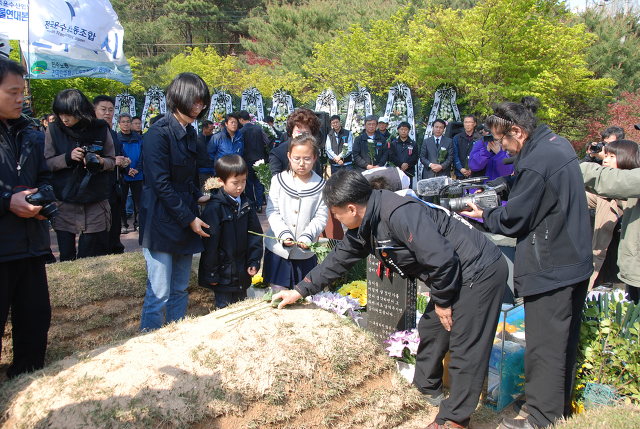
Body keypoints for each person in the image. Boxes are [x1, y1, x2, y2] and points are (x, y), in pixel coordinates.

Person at [273, 170, 508, 429]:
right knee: (431, 329)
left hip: (477, 270)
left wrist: (443, 302)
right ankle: (425, 389)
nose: (336, 219)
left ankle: (454, 418)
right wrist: (299, 290)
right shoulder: (366, 221)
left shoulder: (398, 214)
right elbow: (338, 259)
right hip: (451, 272)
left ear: (351, 208)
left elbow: (442, 260)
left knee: (466, 345)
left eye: (336, 214)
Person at [460, 99, 592, 429]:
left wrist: (484, 215)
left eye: (502, 140)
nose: (501, 147)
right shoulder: (555, 144)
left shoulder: (536, 162)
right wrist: (503, 185)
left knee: (545, 347)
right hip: (572, 259)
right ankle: (553, 407)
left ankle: (542, 418)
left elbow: (515, 219)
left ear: (517, 131)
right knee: (561, 342)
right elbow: (533, 185)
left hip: (551, 263)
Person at [138, 72, 211, 331]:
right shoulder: (157, 134)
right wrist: (189, 218)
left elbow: (188, 178)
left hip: (183, 218)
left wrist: (200, 196)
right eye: (194, 101)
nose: (199, 107)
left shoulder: (190, 133)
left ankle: (176, 336)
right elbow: (160, 184)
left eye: (202, 102)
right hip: (161, 220)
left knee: (180, 288)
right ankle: (149, 339)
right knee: (159, 291)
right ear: (178, 98)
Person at [0, 58, 52, 379]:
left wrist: (43, 198)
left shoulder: (30, 133)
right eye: (12, 92)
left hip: (30, 246)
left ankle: (26, 383)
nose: (21, 99)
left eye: (23, 92)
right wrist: (7, 202)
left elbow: (45, 178)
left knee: (35, 320)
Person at [45, 89, 116, 262]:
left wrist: (100, 161)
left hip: (95, 199)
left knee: (92, 255)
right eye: (60, 114)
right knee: (66, 256)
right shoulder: (54, 129)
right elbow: (46, 163)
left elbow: (112, 160)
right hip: (65, 199)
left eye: (68, 114)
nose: (64, 119)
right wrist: (67, 158)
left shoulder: (100, 128)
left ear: (80, 111)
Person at [263, 134, 328, 292]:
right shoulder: (278, 180)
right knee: (277, 295)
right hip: (278, 251)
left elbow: (321, 217)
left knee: (303, 295)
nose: (301, 163)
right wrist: (283, 234)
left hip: (304, 253)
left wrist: (308, 236)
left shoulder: (321, 186)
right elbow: (272, 210)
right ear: (289, 157)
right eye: (296, 158)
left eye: (307, 158)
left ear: (314, 158)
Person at [198, 155, 263, 308]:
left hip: (242, 272)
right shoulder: (214, 208)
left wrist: (253, 260)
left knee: (242, 308)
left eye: (243, 181)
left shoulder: (247, 204)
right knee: (224, 309)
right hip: (223, 274)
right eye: (235, 183)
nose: (240, 187)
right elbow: (210, 245)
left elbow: (255, 235)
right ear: (221, 181)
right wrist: (212, 273)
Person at [581, 142, 640, 303]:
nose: (605, 160)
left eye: (611, 156)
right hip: (625, 272)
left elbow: (610, 180)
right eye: (605, 155)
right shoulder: (613, 196)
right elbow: (589, 192)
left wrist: (569, 166)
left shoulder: (630, 183)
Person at [93, 95, 128, 253]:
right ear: (94, 110)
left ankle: (115, 248)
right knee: (100, 224)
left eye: (111, 110)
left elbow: (119, 155)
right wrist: (113, 161)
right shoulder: (89, 133)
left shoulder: (113, 134)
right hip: (98, 185)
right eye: (103, 109)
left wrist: (125, 162)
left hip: (114, 184)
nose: (107, 113)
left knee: (115, 220)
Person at [269, 108, 322, 176]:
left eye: (306, 133)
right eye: (299, 132)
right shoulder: (278, 153)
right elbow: (275, 178)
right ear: (292, 132)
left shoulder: (313, 150)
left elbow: (317, 175)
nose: (302, 136)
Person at [237, 110, 269, 212]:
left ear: (241, 119)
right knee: (259, 182)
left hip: (247, 160)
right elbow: (267, 141)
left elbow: (239, 147)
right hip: (260, 159)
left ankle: (252, 205)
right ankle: (259, 205)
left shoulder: (241, 131)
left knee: (249, 183)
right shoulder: (259, 128)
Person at [118, 113, 144, 233]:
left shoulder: (139, 138)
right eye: (123, 122)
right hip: (123, 174)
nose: (126, 124)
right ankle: (123, 224)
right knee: (122, 201)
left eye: (128, 121)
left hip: (138, 174)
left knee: (138, 201)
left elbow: (143, 155)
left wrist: (137, 168)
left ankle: (138, 223)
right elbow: (118, 155)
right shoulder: (117, 138)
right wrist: (127, 169)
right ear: (119, 124)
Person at [389, 121, 419, 186]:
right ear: (398, 130)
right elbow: (391, 156)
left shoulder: (413, 144)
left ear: (409, 131)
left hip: (409, 172)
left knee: (407, 190)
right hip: (396, 172)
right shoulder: (393, 143)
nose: (403, 131)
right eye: (401, 129)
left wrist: (407, 164)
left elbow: (415, 157)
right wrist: (400, 164)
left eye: (406, 129)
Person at [196, 119, 215, 190]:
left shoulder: (214, 138)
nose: (212, 131)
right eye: (210, 129)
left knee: (214, 190)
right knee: (204, 190)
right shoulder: (197, 139)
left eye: (213, 129)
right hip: (202, 169)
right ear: (204, 128)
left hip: (213, 169)